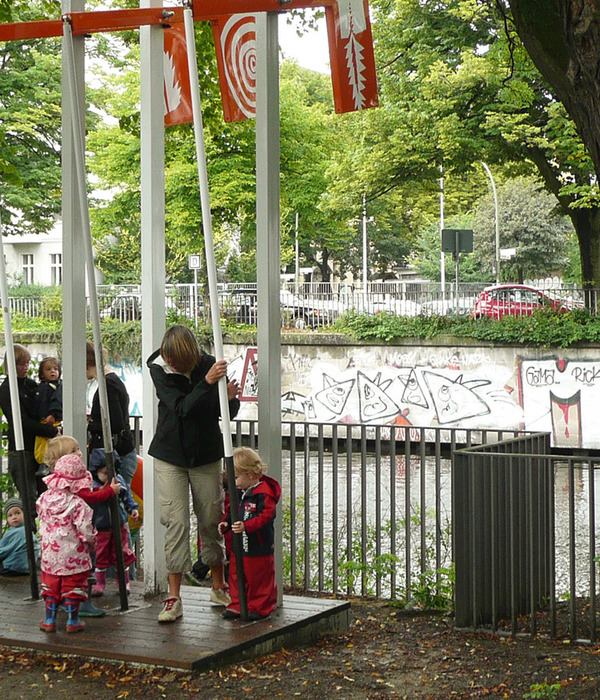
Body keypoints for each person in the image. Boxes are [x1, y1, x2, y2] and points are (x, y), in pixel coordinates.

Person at [146, 324, 240, 623]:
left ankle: (218, 584)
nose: (172, 364)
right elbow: (181, 408)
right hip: (170, 454)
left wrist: (230, 398)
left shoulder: (208, 363)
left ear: (190, 356)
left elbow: (222, 412)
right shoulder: (159, 368)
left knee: (211, 517)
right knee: (176, 521)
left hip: (205, 454)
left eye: (177, 360)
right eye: (169, 358)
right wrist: (208, 385)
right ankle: (174, 596)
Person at [36, 453, 97, 633]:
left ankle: (49, 619)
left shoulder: (43, 499)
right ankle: (72, 621)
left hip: (50, 555)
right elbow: (85, 529)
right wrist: (92, 541)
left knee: (51, 585)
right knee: (73, 586)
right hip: (73, 554)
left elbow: (40, 520)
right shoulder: (78, 504)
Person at [0, 344, 60, 527]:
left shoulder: (30, 384)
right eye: (21, 364)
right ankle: (31, 543)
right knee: (29, 501)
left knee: (47, 497)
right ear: (11, 365)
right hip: (22, 449)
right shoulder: (7, 389)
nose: (25, 367)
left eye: (27, 363)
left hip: (37, 448)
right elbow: (21, 422)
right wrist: (50, 430)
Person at [218, 447, 281, 621]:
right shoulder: (239, 492)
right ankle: (237, 604)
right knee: (236, 574)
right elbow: (233, 510)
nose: (233, 481)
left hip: (259, 545)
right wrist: (226, 523)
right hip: (240, 544)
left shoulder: (264, 493)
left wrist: (247, 526)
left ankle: (260, 606)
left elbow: (266, 516)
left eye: (236, 477)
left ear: (251, 475)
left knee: (259, 577)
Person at [88, 449, 139, 596]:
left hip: (119, 524)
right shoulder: (93, 486)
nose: (108, 477)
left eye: (110, 473)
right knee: (100, 555)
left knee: (121, 554)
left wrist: (132, 509)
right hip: (101, 527)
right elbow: (92, 498)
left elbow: (127, 496)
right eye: (104, 473)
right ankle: (99, 584)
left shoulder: (119, 482)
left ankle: (124, 583)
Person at [86, 342, 137, 487]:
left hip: (117, 455)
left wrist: (90, 425)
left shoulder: (108, 386)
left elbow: (114, 424)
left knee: (116, 504)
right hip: (122, 451)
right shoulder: (112, 382)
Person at [33, 356, 63, 477]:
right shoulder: (43, 388)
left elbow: (57, 402)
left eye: (55, 369)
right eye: (48, 369)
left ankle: (49, 463)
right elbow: (41, 403)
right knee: (41, 445)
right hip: (45, 420)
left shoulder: (58, 387)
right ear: (42, 373)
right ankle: (43, 462)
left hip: (54, 420)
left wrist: (53, 414)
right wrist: (45, 415)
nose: (52, 371)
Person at [0, 497, 39, 575]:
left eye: (18, 513)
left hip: (14, 568)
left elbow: (2, 551)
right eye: (10, 515)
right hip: (27, 568)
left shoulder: (17, 532)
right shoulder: (28, 530)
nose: (14, 517)